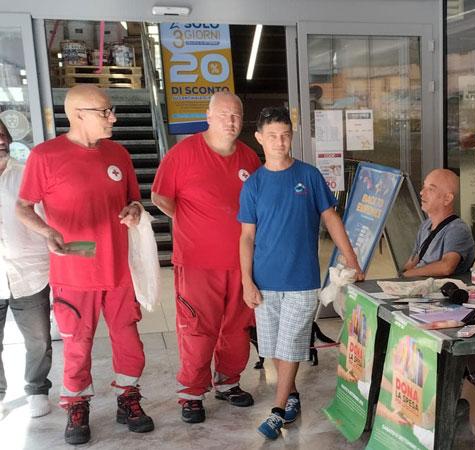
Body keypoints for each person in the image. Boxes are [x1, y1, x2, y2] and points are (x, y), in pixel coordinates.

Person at [16, 85, 152, 445]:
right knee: (77, 344)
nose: (113, 118)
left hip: (119, 271)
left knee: (130, 342)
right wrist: (47, 231)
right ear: (78, 114)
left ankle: (129, 398)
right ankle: (76, 405)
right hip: (75, 271)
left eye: (111, 111)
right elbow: (23, 207)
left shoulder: (118, 153)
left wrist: (134, 211)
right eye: (105, 112)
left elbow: (134, 200)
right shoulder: (46, 156)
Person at [238, 107, 363, 440]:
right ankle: (290, 394)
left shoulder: (308, 176)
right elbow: (247, 237)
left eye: (286, 135)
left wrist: (350, 257)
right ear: (260, 138)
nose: (280, 142)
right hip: (265, 282)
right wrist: (246, 280)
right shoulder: (254, 185)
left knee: (292, 342)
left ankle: (277, 411)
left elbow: (331, 218)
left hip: (301, 280)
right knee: (276, 349)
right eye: (273, 136)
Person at [151, 91, 262, 423]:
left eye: (236, 116)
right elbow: (160, 197)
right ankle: (191, 393)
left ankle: (228, 382)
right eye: (224, 115)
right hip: (197, 264)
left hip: (241, 264)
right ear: (208, 116)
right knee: (198, 331)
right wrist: (191, 221)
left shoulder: (249, 158)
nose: (230, 122)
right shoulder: (183, 154)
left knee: (237, 329)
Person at [0, 118, 52, 420]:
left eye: (4, 134)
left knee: (39, 339)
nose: (1, 140)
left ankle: (37, 388)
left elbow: (48, 219)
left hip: (29, 271)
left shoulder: (26, 177)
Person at [402, 168, 475, 277]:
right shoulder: (426, 225)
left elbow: (446, 267)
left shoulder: (457, 230)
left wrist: (407, 275)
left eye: (431, 189)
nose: (422, 193)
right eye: (424, 187)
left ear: (447, 199)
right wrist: (398, 278)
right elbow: (411, 263)